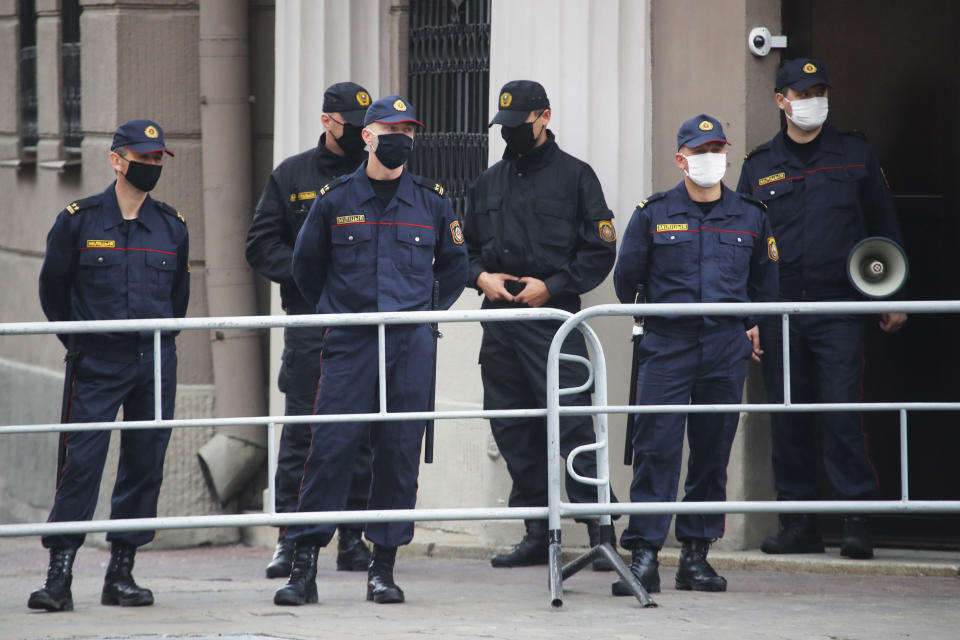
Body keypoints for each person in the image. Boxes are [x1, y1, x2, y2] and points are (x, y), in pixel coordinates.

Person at [273, 95, 467, 606]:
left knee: (399, 453)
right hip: (350, 342)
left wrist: (423, 314)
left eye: (408, 128)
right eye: (389, 127)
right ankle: (304, 564)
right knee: (329, 450)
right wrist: (339, 313)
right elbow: (306, 268)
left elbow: (453, 268)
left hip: (409, 345)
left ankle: (382, 567)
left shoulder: (432, 201)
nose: (400, 135)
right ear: (367, 135)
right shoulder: (335, 199)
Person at [737, 58, 907, 559]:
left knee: (840, 414)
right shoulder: (759, 164)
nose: (814, 100)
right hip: (780, 311)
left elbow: (884, 225)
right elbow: (746, 246)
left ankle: (857, 522)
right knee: (789, 419)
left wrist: (893, 294)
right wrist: (749, 316)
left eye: (820, 90)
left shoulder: (854, 153)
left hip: (839, 308)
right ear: (781, 101)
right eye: (804, 92)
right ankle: (799, 524)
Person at [612, 115, 779, 594]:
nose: (711, 159)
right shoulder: (652, 212)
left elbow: (765, 285)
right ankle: (644, 554)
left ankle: (696, 556)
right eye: (701, 150)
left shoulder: (751, 214)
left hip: (724, 347)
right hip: (668, 345)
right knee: (655, 449)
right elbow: (628, 281)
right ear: (681, 158)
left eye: (717, 149)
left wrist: (748, 325)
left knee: (712, 451)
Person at [30, 119, 189, 611]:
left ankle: (122, 571)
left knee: (145, 464)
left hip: (153, 359)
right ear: (117, 160)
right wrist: (79, 342)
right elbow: (53, 291)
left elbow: (178, 299)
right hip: (97, 359)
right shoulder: (78, 220)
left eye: (157, 158)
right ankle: (60, 574)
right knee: (81, 464)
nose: (151, 166)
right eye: (143, 158)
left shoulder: (171, 226)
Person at [463, 80, 619, 571]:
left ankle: (602, 531)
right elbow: (461, 250)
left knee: (574, 424)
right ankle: (535, 529)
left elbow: (600, 249)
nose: (510, 135)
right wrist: (480, 277)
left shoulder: (575, 177)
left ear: (544, 117)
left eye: (519, 125)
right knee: (514, 429)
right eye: (504, 127)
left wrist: (551, 287)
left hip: (554, 320)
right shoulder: (488, 182)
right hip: (501, 324)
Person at [246, 81, 374, 578]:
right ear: (327, 121)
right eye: (353, 128)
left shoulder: (376, 175)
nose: (363, 138)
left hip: (363, 324)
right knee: (302, 433)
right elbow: (261, 246)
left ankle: (353, 537)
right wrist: (310, 273)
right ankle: (289, 537)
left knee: (362, 434)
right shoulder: (292, 174)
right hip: (310, 324)